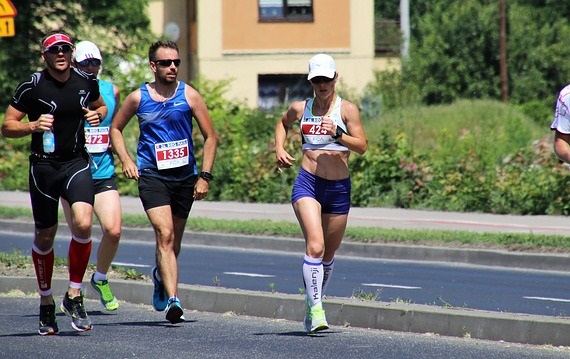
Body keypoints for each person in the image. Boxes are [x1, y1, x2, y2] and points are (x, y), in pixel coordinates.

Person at [0, 31, 107, 335]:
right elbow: (7, 126)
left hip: (76, 161)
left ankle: (74, 294)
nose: (61, 54)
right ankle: (46, 301)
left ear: (72, 53)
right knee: (45, 236)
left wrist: (96, 115)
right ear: (44, 55)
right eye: (54, 50)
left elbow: (101, 106)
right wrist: (32, 125)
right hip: (44, 167)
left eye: (66, 49)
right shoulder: (32, 87)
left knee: (84, 224)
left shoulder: (84, 81)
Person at [110, 40, 217, 324]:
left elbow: (211, 137)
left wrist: (204, 176)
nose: (173, 67)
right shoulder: (138, 98)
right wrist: (126, 160)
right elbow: (116, 129)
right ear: (153, 66)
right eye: (167, 63)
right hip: (152, 176)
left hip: (184, 177)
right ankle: (173, 300)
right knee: (165, 235)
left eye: (177, 63)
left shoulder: (189, 95)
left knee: (174, 241)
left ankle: (160, 276)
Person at [274, 53, 367, 333]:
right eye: (317, 80)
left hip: (338, 188)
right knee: (315, 246)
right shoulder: (301, 108)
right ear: (311, 81)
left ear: (335, 78)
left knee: (328, 254)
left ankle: (312, 301)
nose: (322, 85)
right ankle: (317, 311)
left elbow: (362, 145)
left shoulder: (347, 110)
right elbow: (282, 123)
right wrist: (279, 148)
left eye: (326, 79)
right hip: (308, 183)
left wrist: (338, 134)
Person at [60, 40, 122, 311]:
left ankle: (100, 278)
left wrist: (111, 141)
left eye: (95, 62)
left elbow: (113, 123)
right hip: (73, 171)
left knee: (114, 230)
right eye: (86, 63)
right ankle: (75, 291)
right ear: (75, 64)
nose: (92, 67)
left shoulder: (112, 91)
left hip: (103, 170)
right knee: (80, 235)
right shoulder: (65, 89)